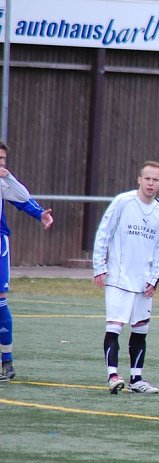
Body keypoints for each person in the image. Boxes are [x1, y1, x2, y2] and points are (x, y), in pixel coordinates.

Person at [92, 161, 159, 394]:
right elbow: (105, 232)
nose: (151, 183)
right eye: (147, 178)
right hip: (118, 278)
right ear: (139, 179)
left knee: (140, 331)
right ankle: (113, 376)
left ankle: (137, 380)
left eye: (155, 180)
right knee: (114, 327)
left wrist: (154, 279)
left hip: (143, 283)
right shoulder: (123, 202)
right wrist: (99, 266)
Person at [0, 142, 53, 382]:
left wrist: (40, 213)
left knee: (1, 302)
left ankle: (6, 361)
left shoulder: (3, 181)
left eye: (3, 159)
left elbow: (22, 197)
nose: (1, 163)